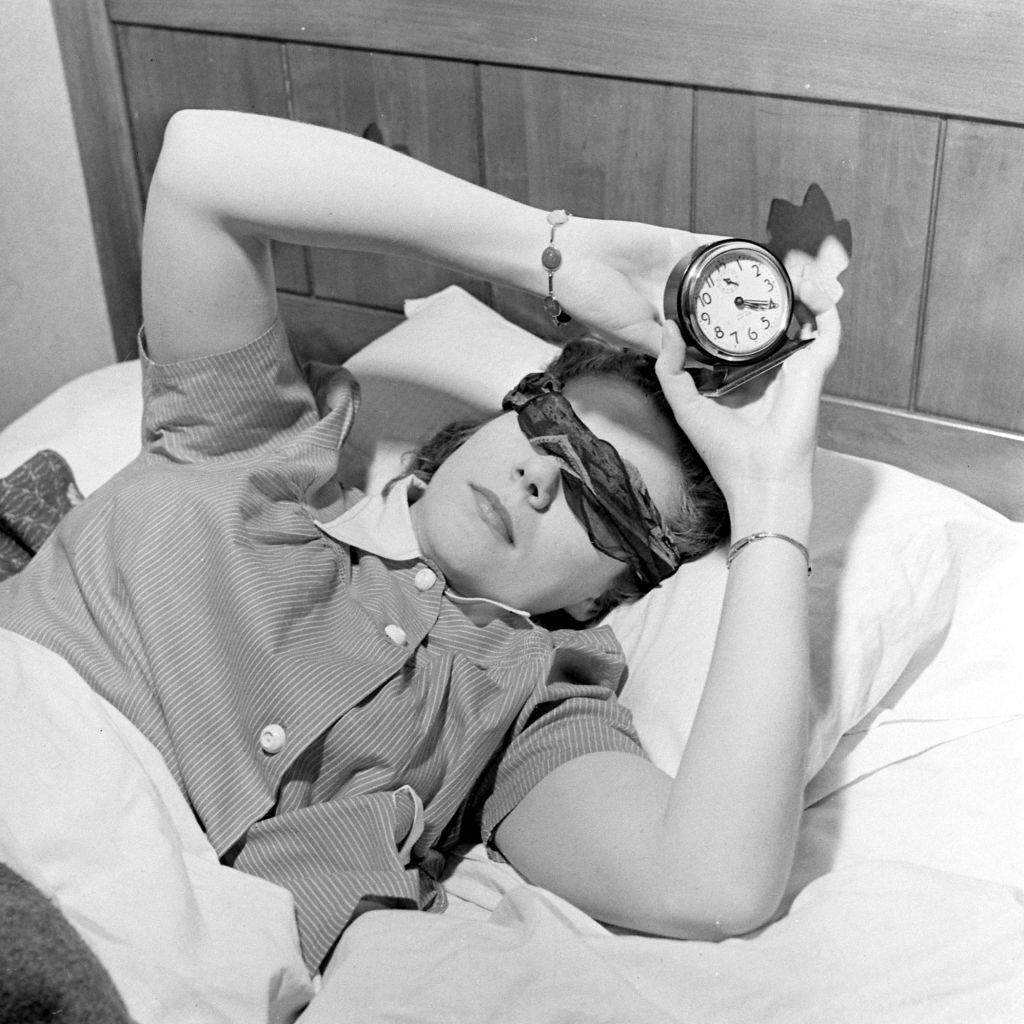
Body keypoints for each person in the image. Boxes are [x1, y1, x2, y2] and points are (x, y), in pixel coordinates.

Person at [0, 109, 841, 974]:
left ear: (605, 595)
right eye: (547, 425)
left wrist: (772, 490)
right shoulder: (247, 442)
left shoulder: (521, 713)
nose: (541, 478)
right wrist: (559, 252)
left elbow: (708, 884)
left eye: (606, 501)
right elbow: (199, 166)